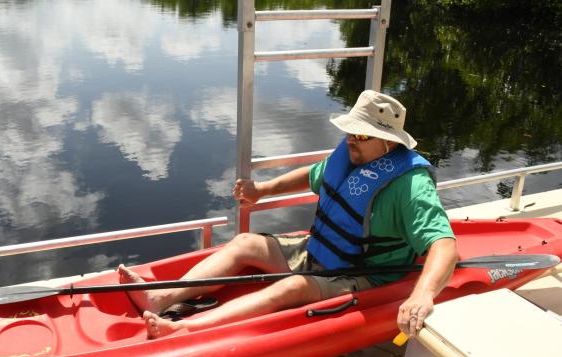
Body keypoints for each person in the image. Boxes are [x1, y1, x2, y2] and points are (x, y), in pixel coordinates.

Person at [119, 90, 458, 339]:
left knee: (293, 288)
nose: (351, 139)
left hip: (361, 273)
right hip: (317, 252)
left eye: (361, 135)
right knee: (245, 243)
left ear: (387, 142)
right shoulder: (354, 155)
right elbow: (316, 174)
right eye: (350, 131)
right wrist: (263, 190)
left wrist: (423, 293)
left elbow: (444, 244)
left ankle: (183, 328)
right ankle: (160, 295)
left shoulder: (410, 184)